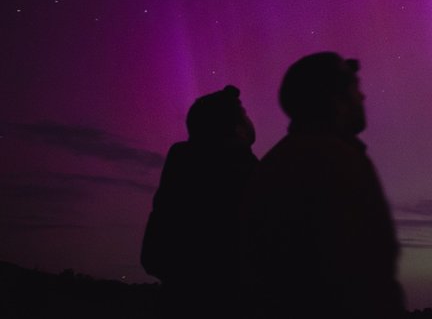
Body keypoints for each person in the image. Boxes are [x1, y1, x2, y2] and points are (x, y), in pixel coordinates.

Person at [241, 52, 405, 318]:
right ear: (335, 99)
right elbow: (358, 273)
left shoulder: (277, 161)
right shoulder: (333, 160)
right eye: (355, 89)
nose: (363, 97)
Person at [141, 85, 258, 317]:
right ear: (236, 128)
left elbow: (154, 256)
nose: (249, 119)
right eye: (244, 114)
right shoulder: (246, 174)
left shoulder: (182, 167)